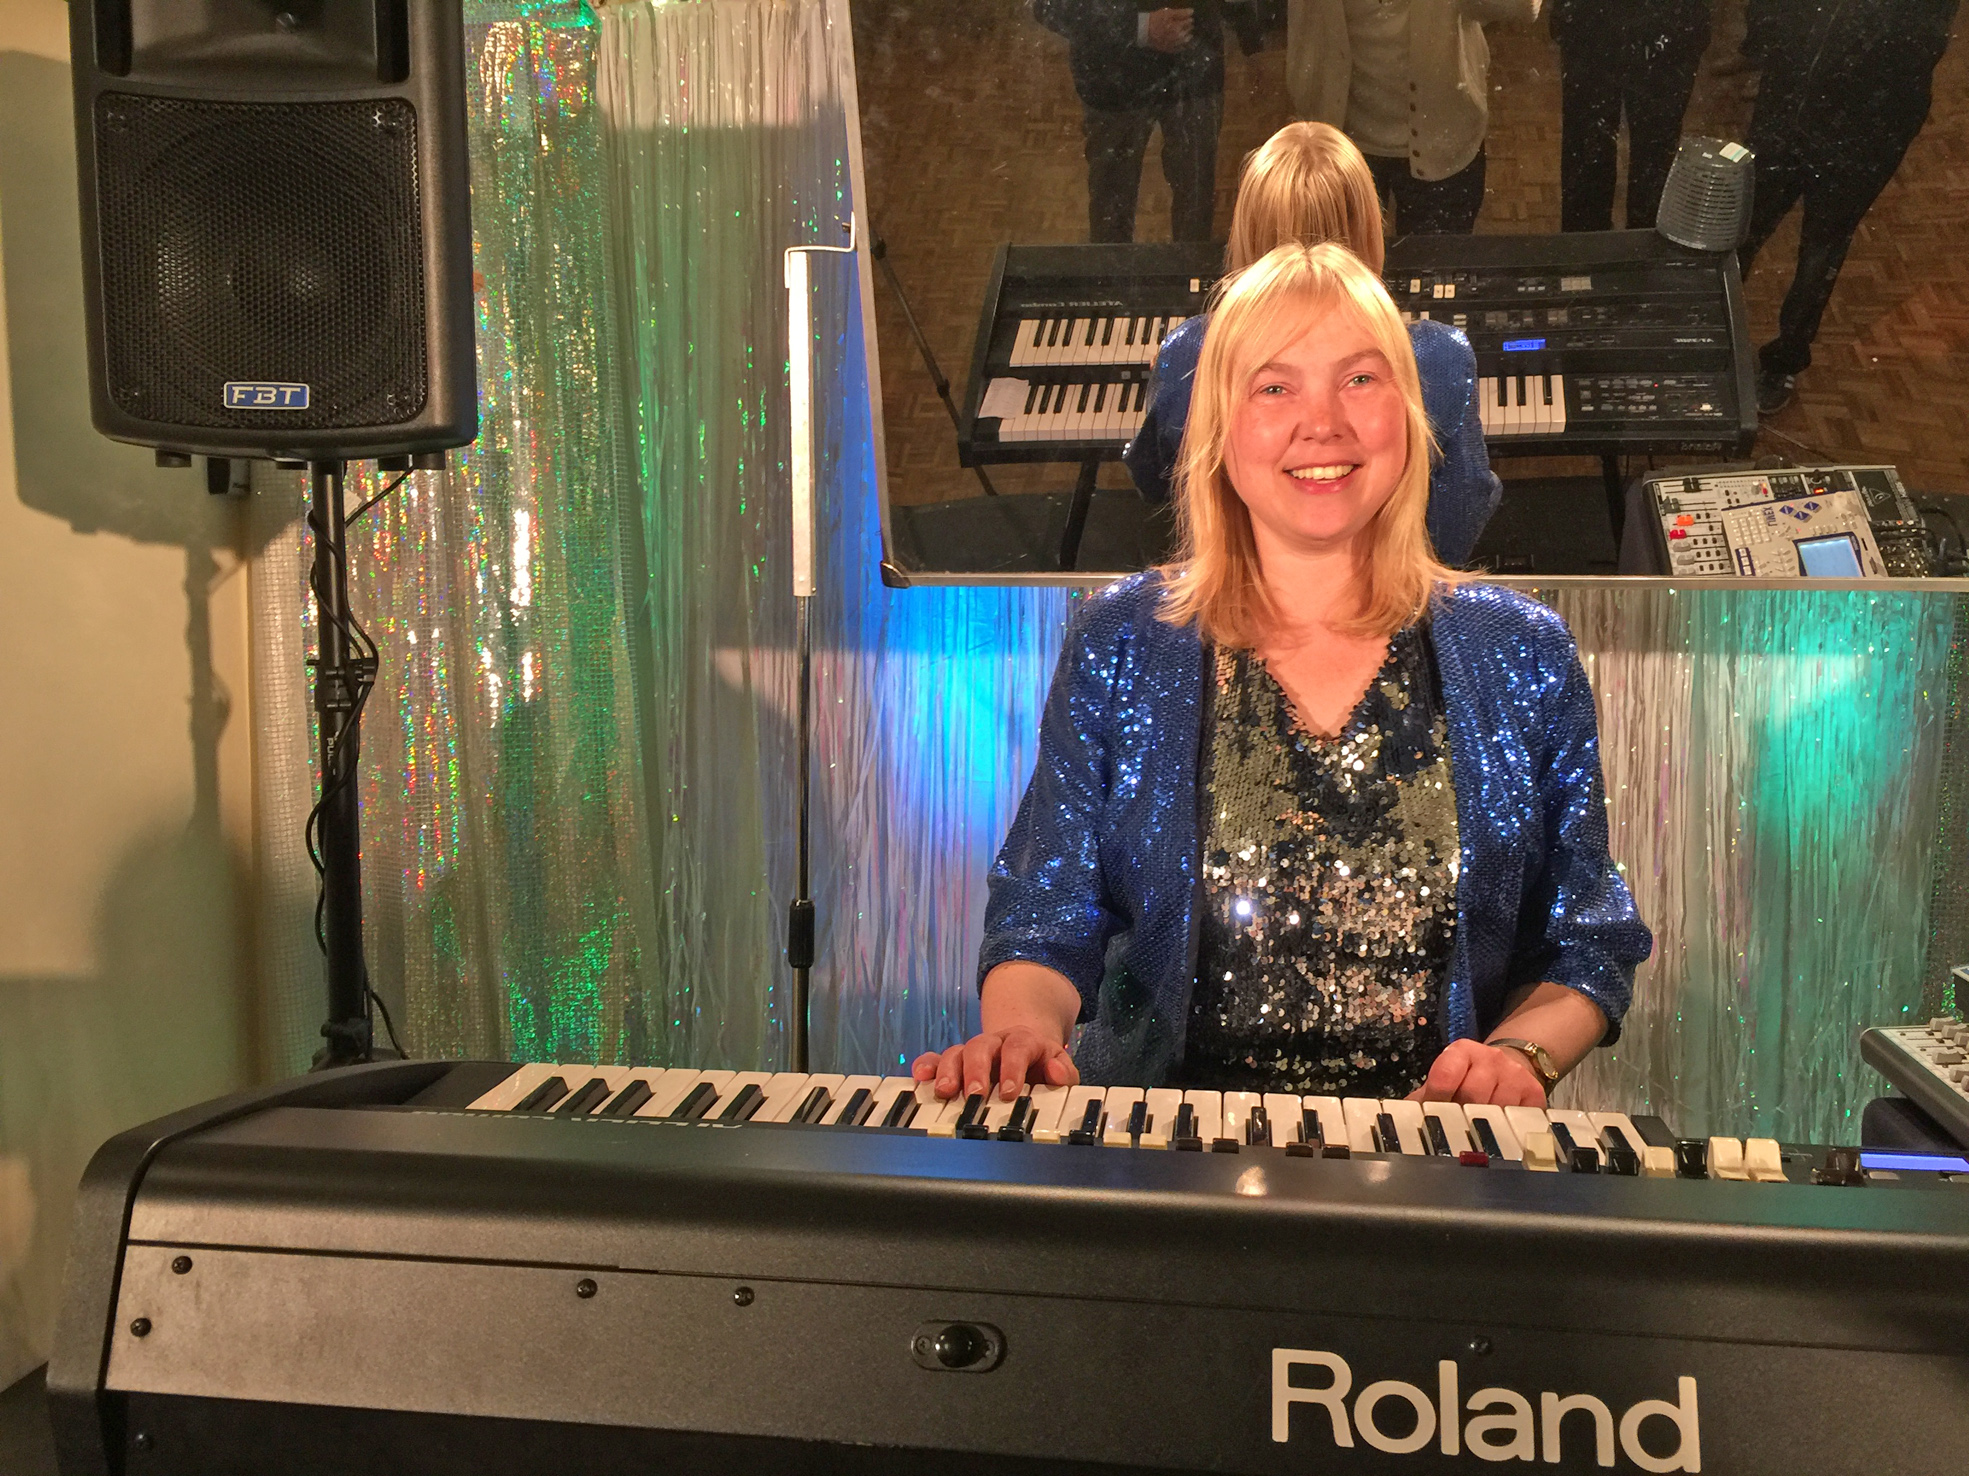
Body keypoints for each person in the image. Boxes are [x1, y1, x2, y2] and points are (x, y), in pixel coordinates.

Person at [914, 242, 1650, 1105]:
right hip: (1164, 1160)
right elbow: (1046, 917)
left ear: (1410, 416)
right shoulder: (1120, 638)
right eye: (1274, 387)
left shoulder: (1523, 649)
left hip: (1434, 1168)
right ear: (1220, 431)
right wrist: (1020, 1034)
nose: (1322, 423)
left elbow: (1585, 945)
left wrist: (1521, 1055)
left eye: (1359, 380)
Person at [1124, 122, 1501, 566]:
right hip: (1407, 605)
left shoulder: (1191, 350)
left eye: (1359, 380)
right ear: (1368, 226)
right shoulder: (1440, 354)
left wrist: (1171, 377)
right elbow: (1461, 516)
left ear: (1245, 227)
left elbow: (1155, 482)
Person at [1737, 0, 1958, 415]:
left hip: (1857, 139)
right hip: (1785, 115)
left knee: (1820, 254)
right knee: (1741, 229)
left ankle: (1783, 362)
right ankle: (1712, 335)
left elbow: (1917, 54)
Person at [1284, 0, 1540, 235]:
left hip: (1444, 137)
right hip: (1336, 143)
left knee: (1437, 272)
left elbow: (1521, 7)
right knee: (1343, 275)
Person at [1033, 0, 1227, 243]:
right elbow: (1050, 7)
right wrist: (1140, 28)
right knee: (1111, 211)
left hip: (1195, 70)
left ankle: (1189, 276)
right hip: (1114, 81)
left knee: (1195, 203)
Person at [1551, 0, 1713, 232]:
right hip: (1608, 20)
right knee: (1594, 148)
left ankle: (1630, 252)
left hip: (1659, 23)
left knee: (1644, 153)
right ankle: (1602, 252)